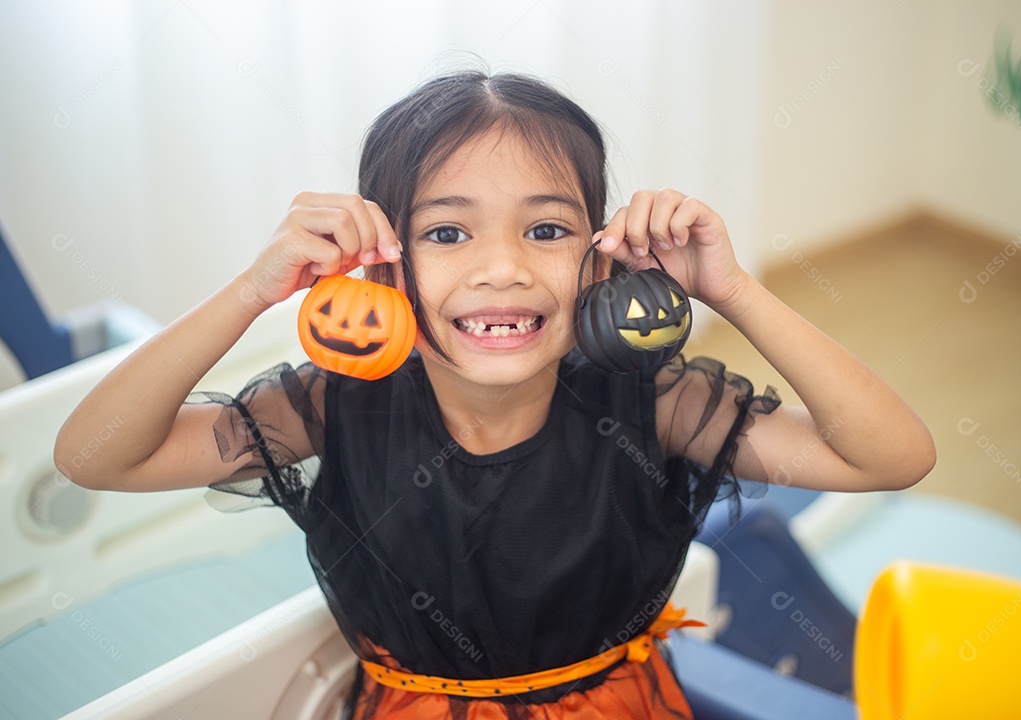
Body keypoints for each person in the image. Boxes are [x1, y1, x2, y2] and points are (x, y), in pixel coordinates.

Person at [55, 70, 935, 719]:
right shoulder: (339, 403)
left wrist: (732, 289)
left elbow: (895, 456)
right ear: (386, 259)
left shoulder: (646, 402)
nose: (504, 267)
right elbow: (94, 458)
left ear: (598, 255)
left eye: (547, 228)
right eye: (447, 231)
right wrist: (253, 289)